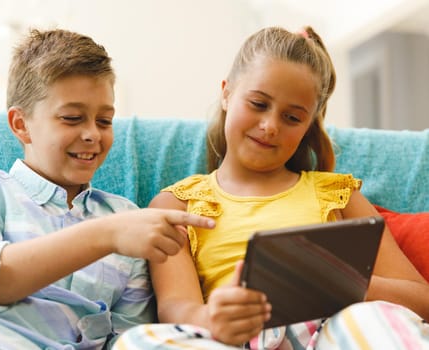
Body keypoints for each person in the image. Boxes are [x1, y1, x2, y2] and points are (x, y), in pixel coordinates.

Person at [114, 26, 429, 349]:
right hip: (232, 340)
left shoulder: (338, 195)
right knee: (138, 340)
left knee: (370, 319)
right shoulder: (176, 206)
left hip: (332, 335)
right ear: (226, 93)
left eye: (292, 118)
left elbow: (421, 299)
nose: (270, 127)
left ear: (308, 125)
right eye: (258, 104)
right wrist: (214, 319)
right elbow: (174, 309)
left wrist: (346, 284)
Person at [0, 28, 215, 349]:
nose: (93, 134)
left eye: (105, 121)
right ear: (20, 124)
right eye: (72, 118)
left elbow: (127, 337)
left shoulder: (127, 219)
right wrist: (105, 235)